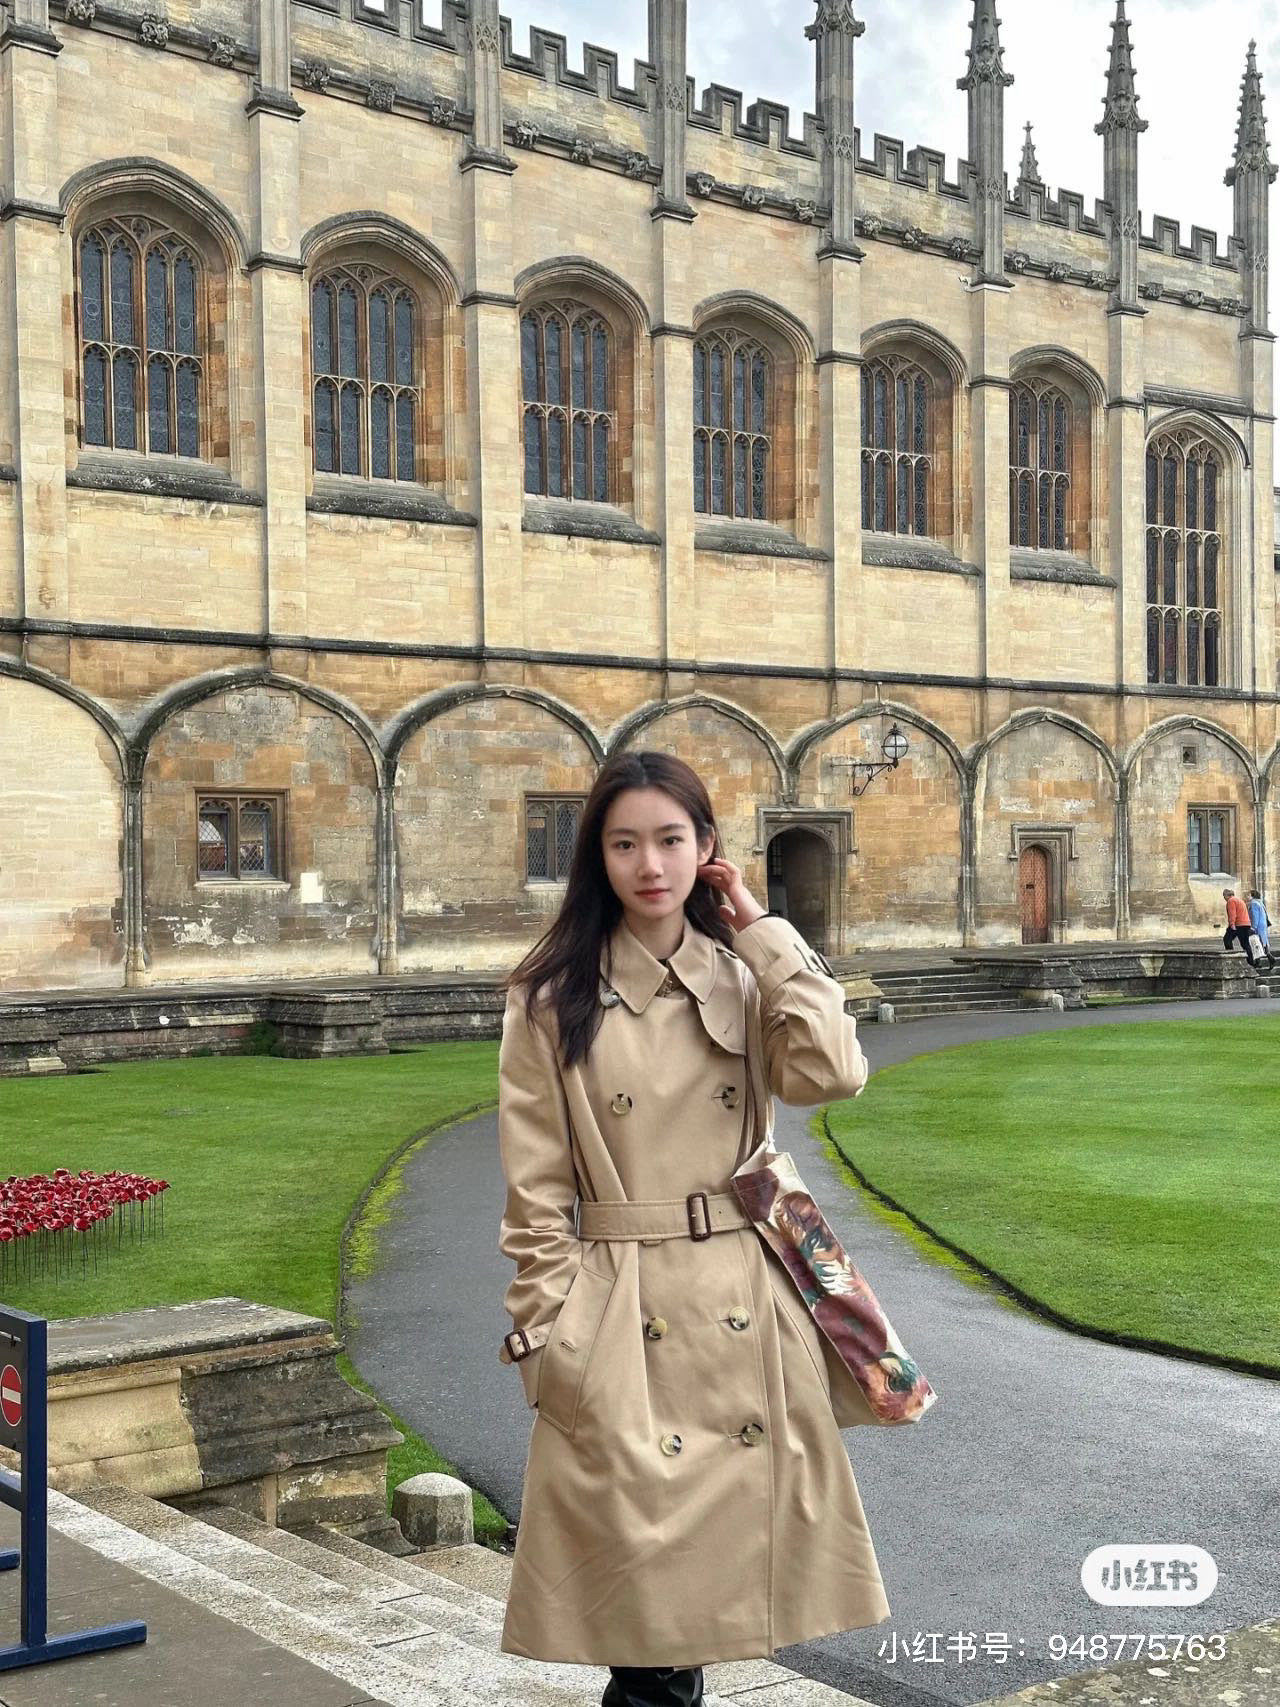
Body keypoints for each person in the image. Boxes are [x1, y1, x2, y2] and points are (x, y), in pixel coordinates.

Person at [495, 749, 890, 1706]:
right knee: (651, 1628)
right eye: (624, 843)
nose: (650, 865)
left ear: (707, 848)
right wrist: (551, 1335)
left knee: (695, 1621)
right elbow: (535, 1191)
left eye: (671, 840)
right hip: (622, 1312)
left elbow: (833, 1074)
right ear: (598, 856)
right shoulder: (550, 995)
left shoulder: (743, 975)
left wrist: (763, 931)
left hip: (746, 1297)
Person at [1223, 889, 1264, 967]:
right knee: (1245, 944)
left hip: (1238, 924)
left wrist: (1231, 924)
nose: (1224, 898)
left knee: (1227, 939)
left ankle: (1231, 958)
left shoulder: (1231, 901)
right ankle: (1251, 962)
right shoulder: (1240, 900)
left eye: (1224, 896)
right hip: (1245, 924)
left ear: (1226, 895)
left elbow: (1232, 914)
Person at [1247, 890, 1276, 971]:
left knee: (1256, 943)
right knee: (1262, 942)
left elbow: (1255, 916)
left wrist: (1253, 927)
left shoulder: (1253, 903)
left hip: (1258, 926)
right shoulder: (1260, 902)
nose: (1247, 896)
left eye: (1249, 895)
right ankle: (1263, 960)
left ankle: (1262, 961)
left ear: (1252, 896)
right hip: (1262, 925)